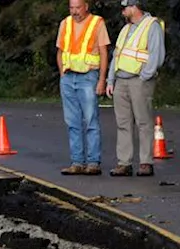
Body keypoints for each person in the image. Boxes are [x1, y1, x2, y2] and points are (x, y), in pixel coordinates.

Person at [106, 0, 166, 176]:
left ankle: (145, 162)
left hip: (139, 81)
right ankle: (124, 163)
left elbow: (157, 55)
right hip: (121, 80)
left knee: (143, 122)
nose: (122, 11)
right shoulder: (125, 29)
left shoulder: (151, 25)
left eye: (124, 8)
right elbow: (117, 56)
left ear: (134, 7)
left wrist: (144, 76)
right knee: (123, 123)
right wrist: (111, 80)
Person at [55, 0, 110, 176]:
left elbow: (103, 52)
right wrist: (62, 74)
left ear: (86, 6)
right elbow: (60, 51)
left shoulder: (97, 23)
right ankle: (77, 162)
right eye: (71, 7)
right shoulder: (65, 23)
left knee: (91, 121)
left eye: (78, 7)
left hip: (88, 77)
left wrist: (102, 80)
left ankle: (93, 162)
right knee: (72, 122)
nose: (74, 11)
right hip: (69, 76)